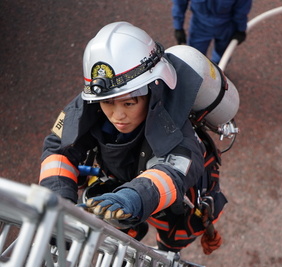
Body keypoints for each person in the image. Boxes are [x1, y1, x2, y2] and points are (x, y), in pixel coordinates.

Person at [38, 21, 231, 254]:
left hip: (172, 205)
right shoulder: (91, 105)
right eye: (108, 103)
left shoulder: (175, 125)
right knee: (114, 217)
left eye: (129, 103)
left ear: (152, 90)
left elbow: (173, 173)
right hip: (121, 181)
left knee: (174, 239)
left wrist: (136, 198)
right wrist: (59, 201)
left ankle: (169, 251)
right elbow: (59, 149)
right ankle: (131, 227)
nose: (118, 116)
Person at [172, 0, 253, 64]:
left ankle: (218, 71)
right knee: (195, 56)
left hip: (226, 27)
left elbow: (241, 10)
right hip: (199, 27)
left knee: (223, 55)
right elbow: (179, 4)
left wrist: (240, 30)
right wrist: (178, 27)